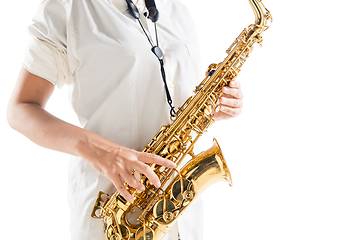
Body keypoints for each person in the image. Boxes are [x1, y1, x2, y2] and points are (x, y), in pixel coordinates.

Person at [7, 0, 243, 239]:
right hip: (116, 213)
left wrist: (217, 102)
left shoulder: (176, 7)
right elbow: (20, 108)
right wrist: (99, 150)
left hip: (181, 214)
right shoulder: (70, 6)